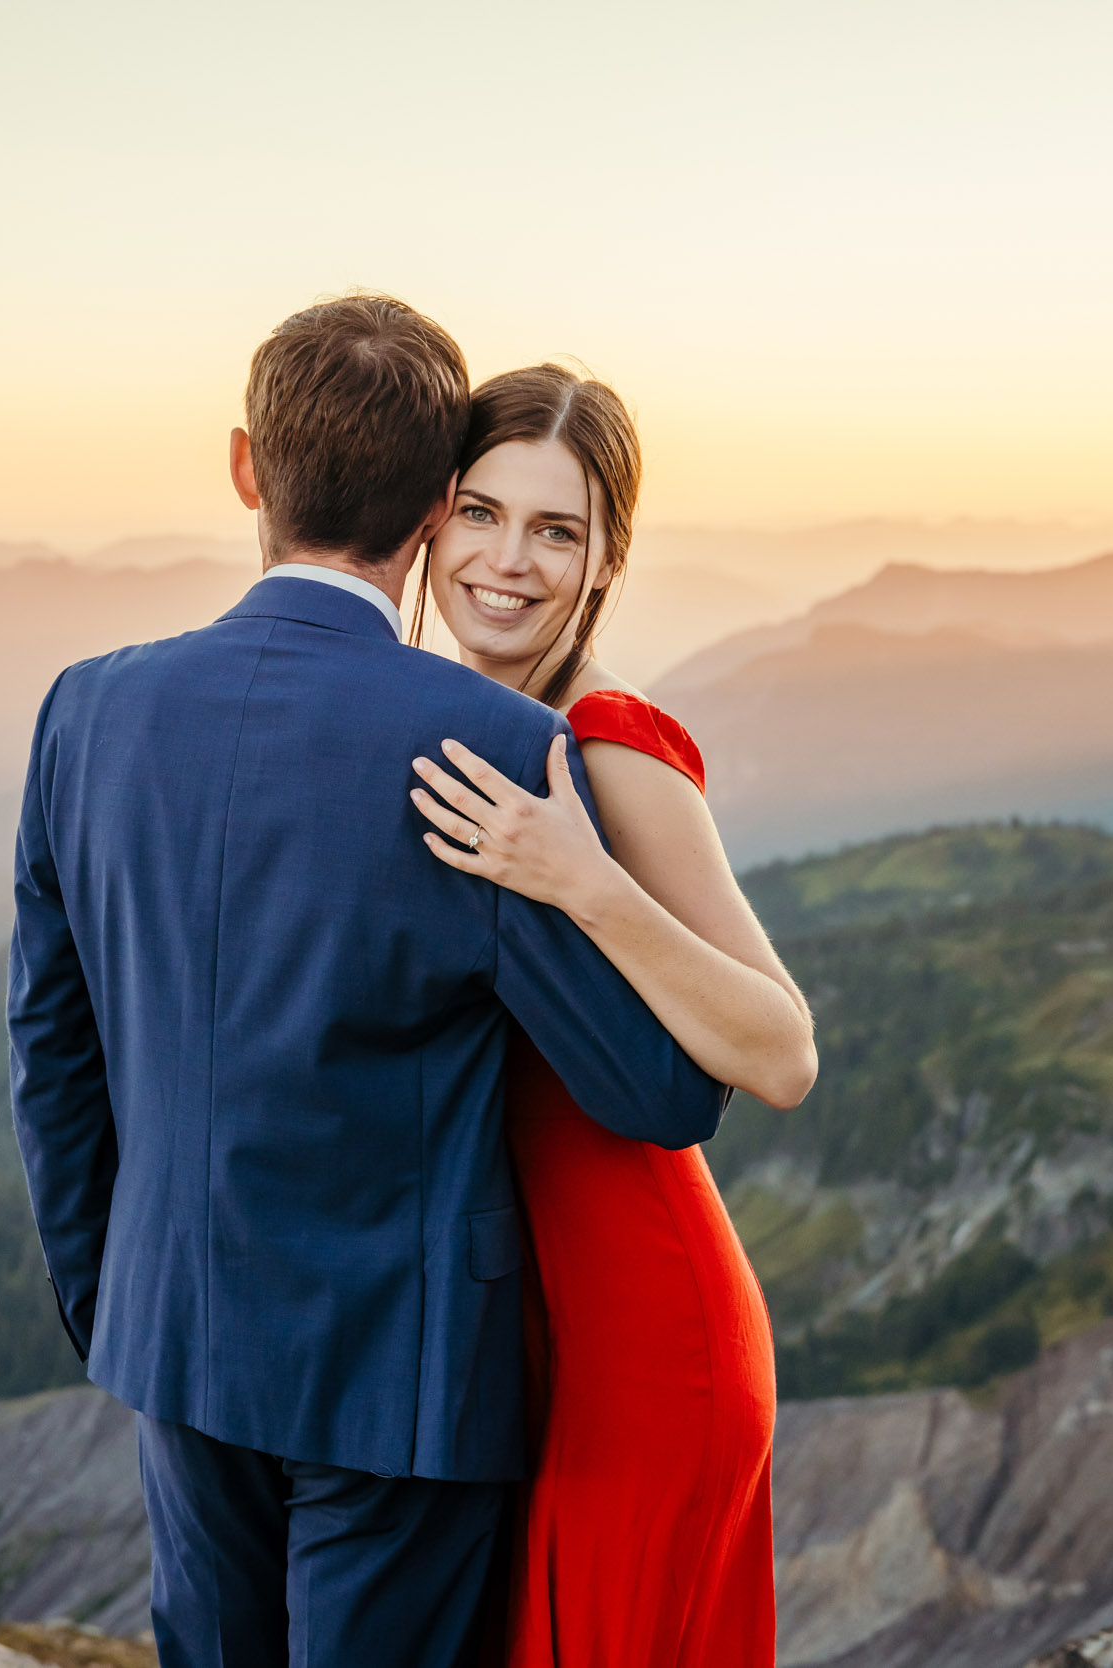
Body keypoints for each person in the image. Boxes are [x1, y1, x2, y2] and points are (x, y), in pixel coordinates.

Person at [7, 298, 728, 1668]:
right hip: (404, 1381)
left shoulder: (84, 710)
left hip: (176, 1338)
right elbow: (660, 1089)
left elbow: (52, 1051)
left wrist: (117, 1303)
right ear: (437, 506)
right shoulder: (493, 743)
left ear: (244, 468)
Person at [406, 364, 817, 1667]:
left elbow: (781, 1049)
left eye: (558, 529)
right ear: (430, 519)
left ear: (606, 561)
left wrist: (582, 883)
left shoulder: (608, 742)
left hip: (646, 1347)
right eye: (482, 513)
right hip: (542, 1341)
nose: (507, 561)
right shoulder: (482, 722)